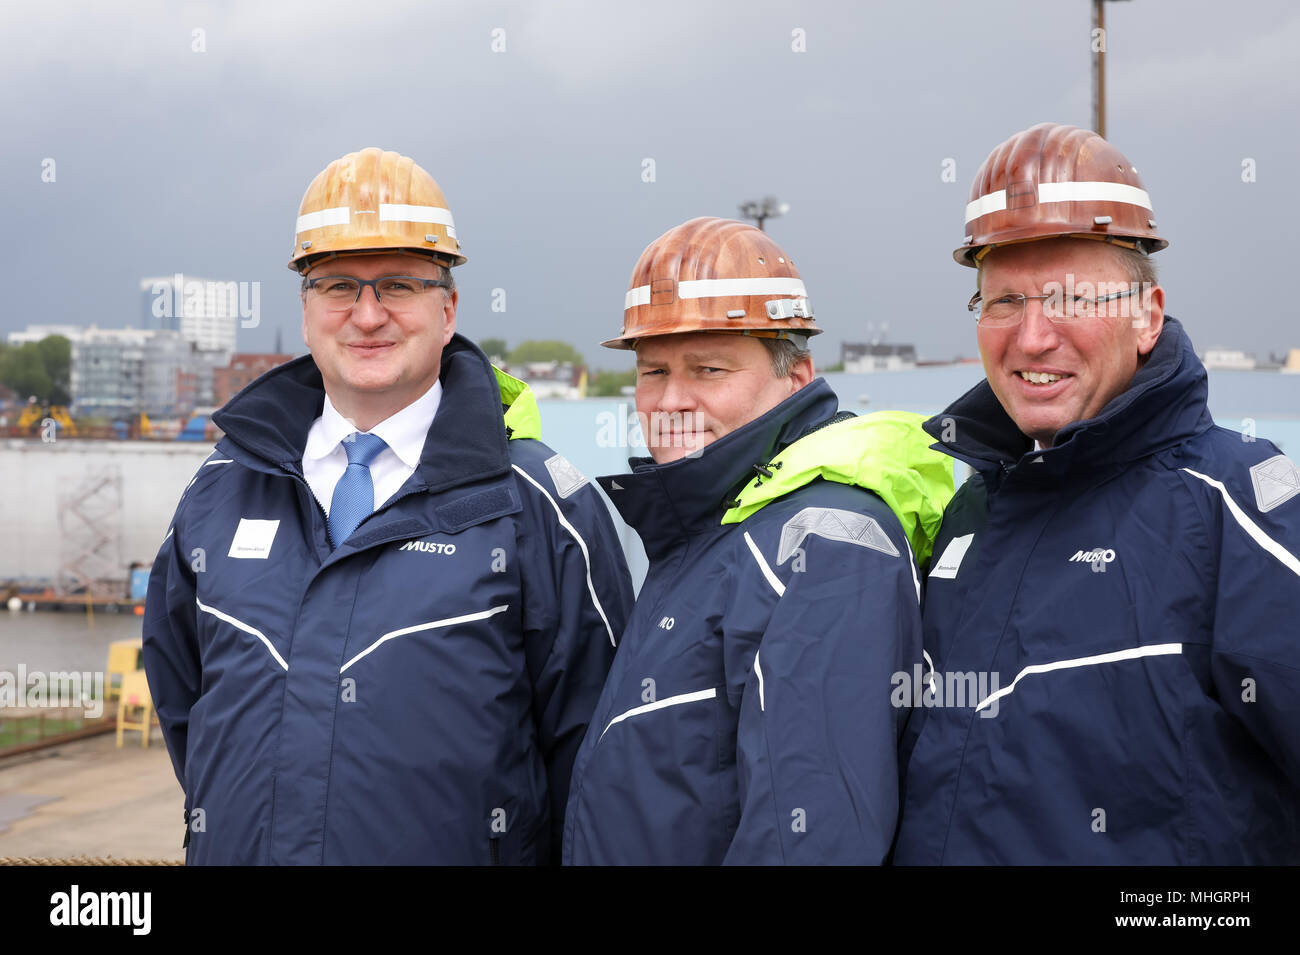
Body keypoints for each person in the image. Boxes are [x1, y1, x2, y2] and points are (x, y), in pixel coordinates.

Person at [142, 147, 633, 865]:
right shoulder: (222, 488)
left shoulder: (538, 506)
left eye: (398, 284)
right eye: (339, 285)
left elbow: (595, 765)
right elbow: (186, 702)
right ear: (307, 310)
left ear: (448, 307)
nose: (367, 315)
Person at [894, 123, 1300, 864]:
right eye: (1004, 300)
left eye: (1070, 297)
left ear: (1146, 316)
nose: (1033, 336)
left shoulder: (1238, 506)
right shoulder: (969, 520)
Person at [562, 217, 954, 864]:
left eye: (708, 369)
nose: (672, 402)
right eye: (653, 371)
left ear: (796, 378)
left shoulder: (822, 544)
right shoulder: (712, 525)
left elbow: (811, 840)